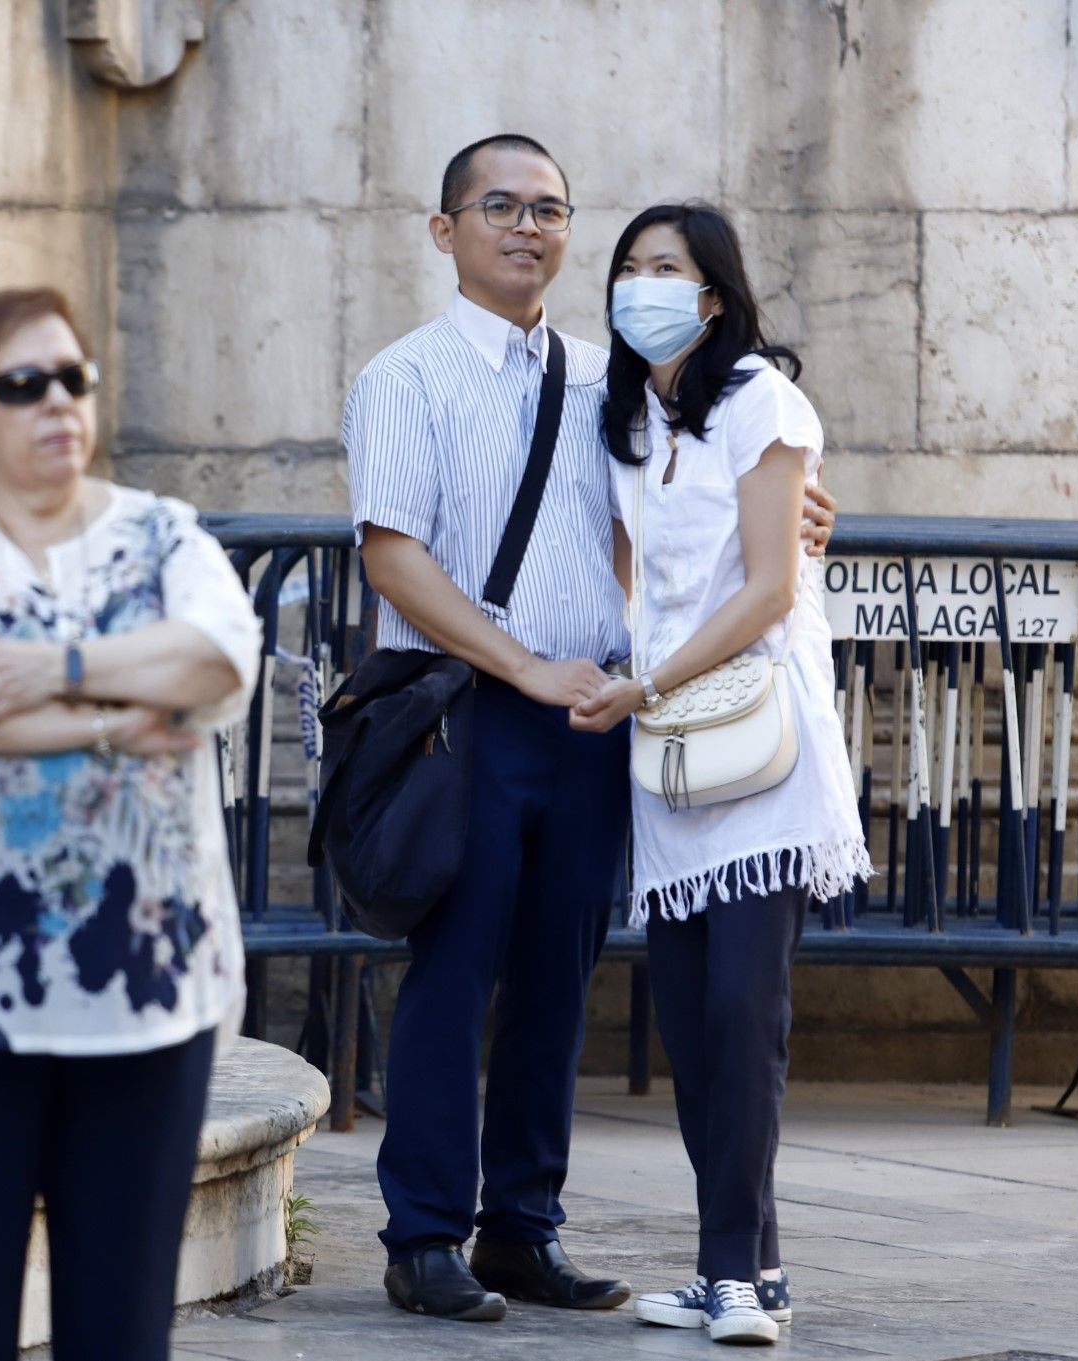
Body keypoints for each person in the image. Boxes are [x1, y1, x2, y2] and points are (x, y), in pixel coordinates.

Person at [342, 135, 838, 1325]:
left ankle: (522, 1227)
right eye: (499, 206)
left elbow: (713, 500)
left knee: (557, 982)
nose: (527, 227)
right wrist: (517, 660)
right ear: (444, 228)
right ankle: (423, 1235)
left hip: (596, 715)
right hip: (464, 712)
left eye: (551, 209)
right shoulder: (401, 379)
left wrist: (811, 503)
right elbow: (390, 553)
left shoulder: (606, 381)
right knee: (453, 972)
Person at [0, 287, 260, 1361]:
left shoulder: (164, 531)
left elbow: (219, 654)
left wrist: (52, 668)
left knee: (120, 1334)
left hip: (140, 991)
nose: (55, 404)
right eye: (20, 384)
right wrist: (125, 720)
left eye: (70, 378)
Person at [569, 202, 873, 1346]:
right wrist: (630, 679)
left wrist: (639, 688)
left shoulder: (761, 402)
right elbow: (629, 576)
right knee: (695, 1023)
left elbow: (765, 591)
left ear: (712, 294)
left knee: (747, 1006)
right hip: (672, 757)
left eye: (667, 269)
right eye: (628, 267)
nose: (642, 285)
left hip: (758, 737)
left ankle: (727, 1278)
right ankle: (754, 1265)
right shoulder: (623, 421)